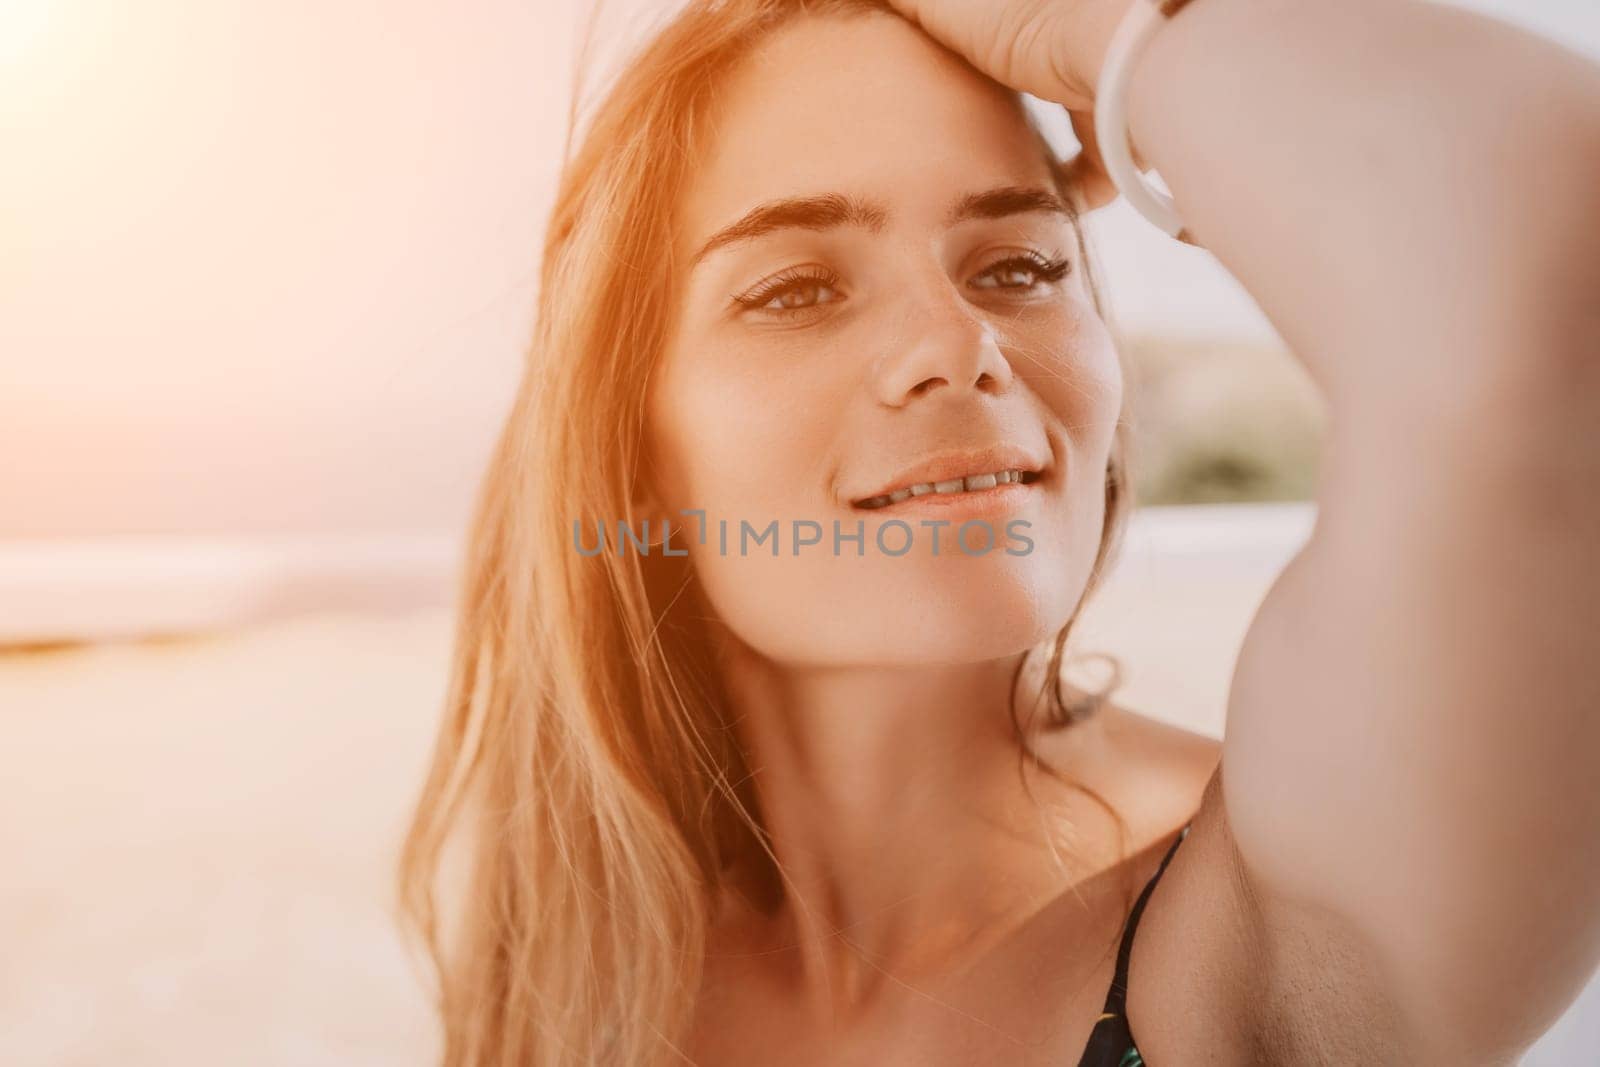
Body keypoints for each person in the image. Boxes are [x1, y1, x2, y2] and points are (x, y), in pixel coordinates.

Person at [396, 0, 1600, 1063]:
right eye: (797, 288)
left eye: (1019, 264)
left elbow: (1543, 252)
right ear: (633, 452)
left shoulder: (1272, 906)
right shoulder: (584, 974)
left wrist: (1105, 41)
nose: (955, 344)